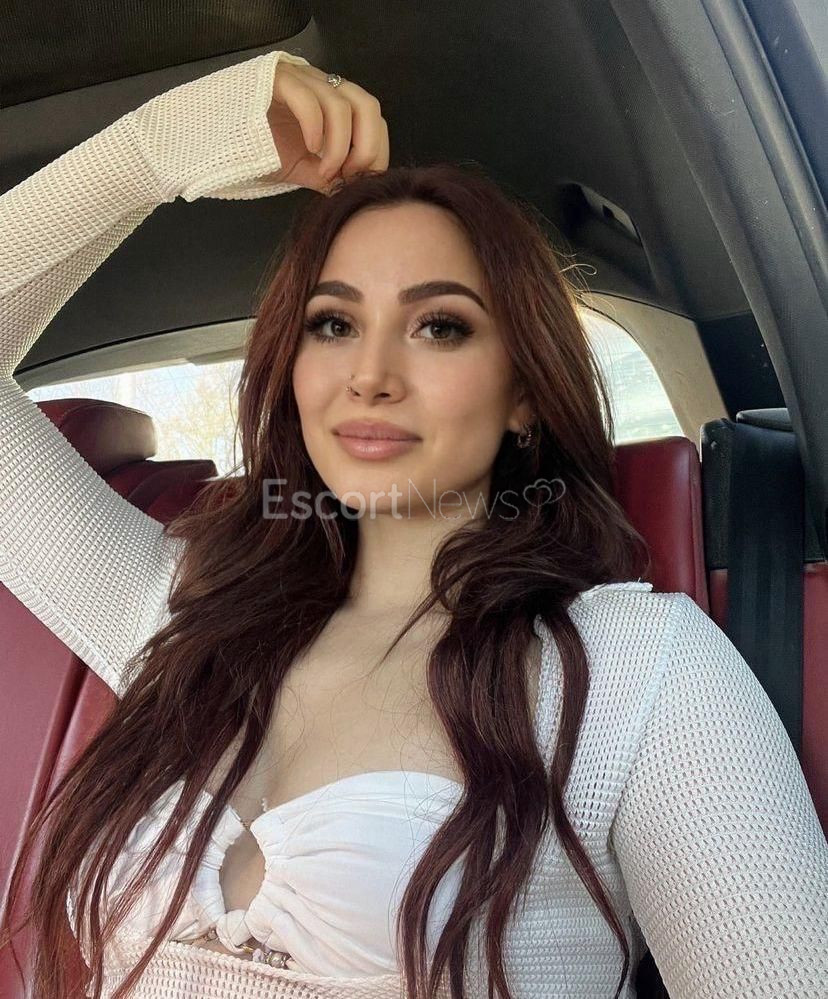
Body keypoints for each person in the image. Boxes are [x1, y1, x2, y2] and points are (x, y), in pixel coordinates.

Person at [0, 47, 826, 999]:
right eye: (333, 323)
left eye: (441, 326)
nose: (371, 374)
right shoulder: (179, 609)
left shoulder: (632, 670)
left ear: (524, 392)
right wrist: (160, 149)